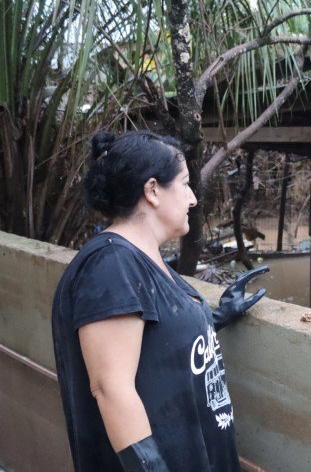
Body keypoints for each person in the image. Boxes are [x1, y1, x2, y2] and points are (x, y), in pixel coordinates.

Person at [51, 131, 268, 471]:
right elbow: (111, 389)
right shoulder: (110, 266)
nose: (193, 199)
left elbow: (155, 338)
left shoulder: (143, 259)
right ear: (152, 191)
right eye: (184, 184)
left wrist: (216, 316)